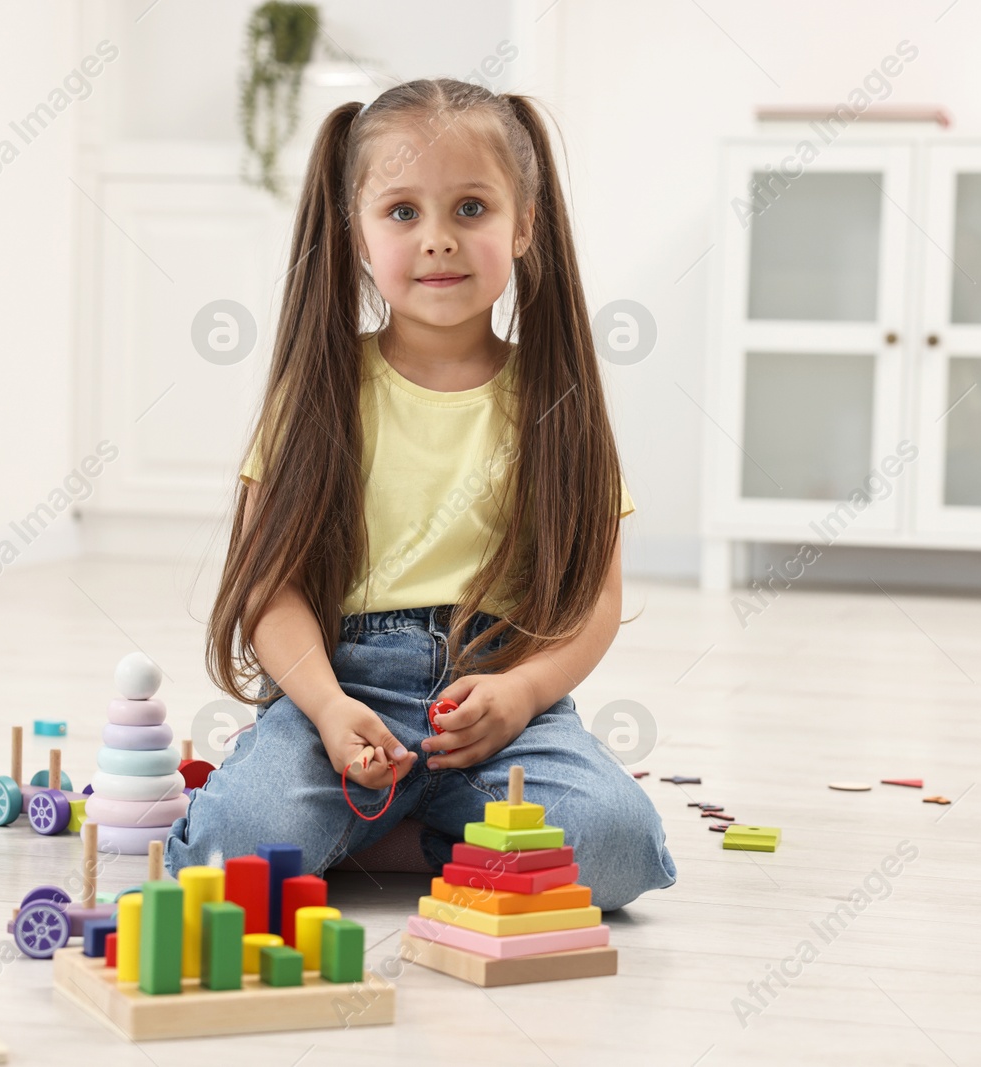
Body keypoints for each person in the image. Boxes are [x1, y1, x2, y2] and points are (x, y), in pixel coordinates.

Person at [166, 79, 675, 911]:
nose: (437, 239)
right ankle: (421, 830)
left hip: (500, 688)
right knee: (228, 855)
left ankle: (383, 833)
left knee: (615, 848)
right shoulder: (319, 391)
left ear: (525, 227)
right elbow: (271, 588)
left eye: (471, 208)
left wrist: (523, 694)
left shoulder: (559, 402)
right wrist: (328, 709)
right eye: (402, 212)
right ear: (357, 237)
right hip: (342, 685)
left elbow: (598, 599)